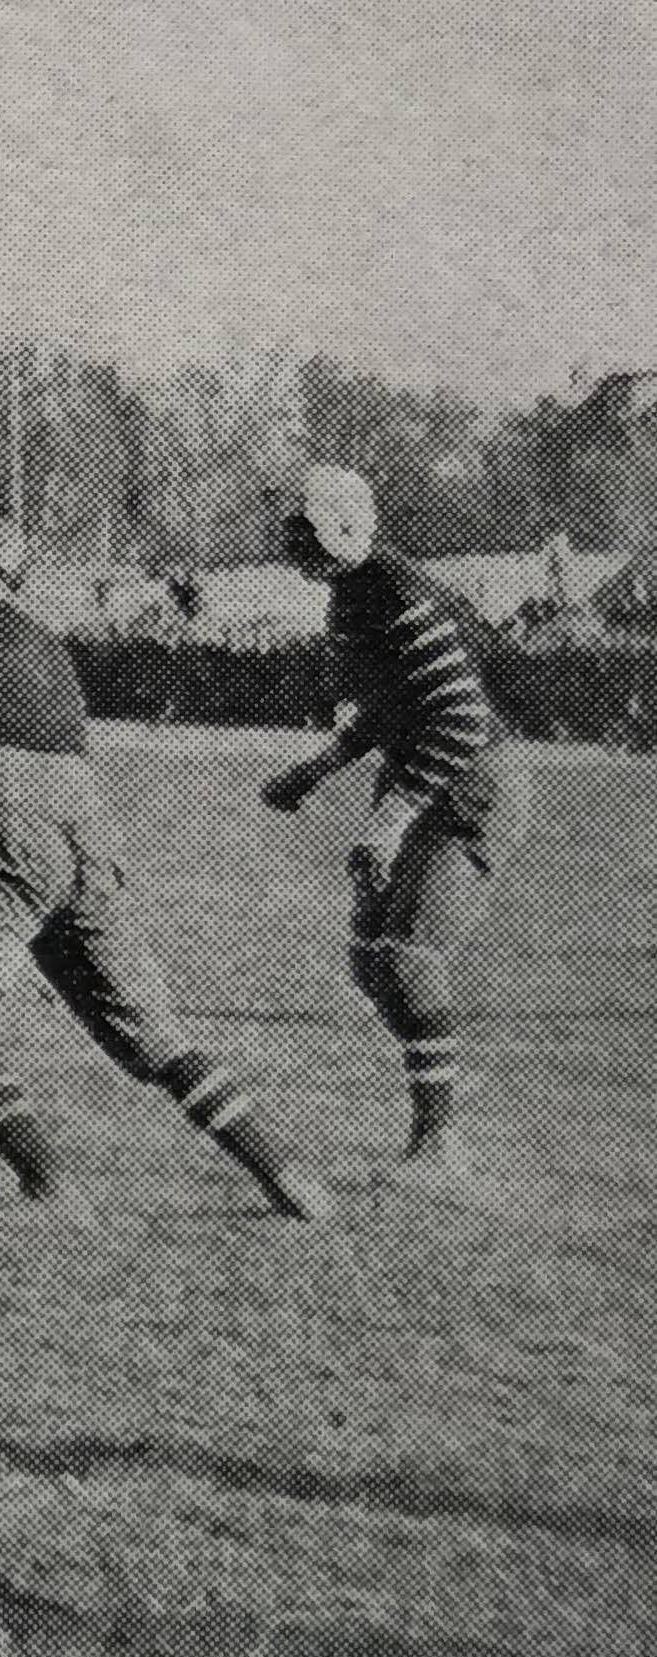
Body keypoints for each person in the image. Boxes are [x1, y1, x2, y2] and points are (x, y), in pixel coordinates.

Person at [0, 512, 335, 1226]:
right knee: (153, 1035)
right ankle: (287, 1175)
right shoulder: (48, 644)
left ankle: (50, 1186)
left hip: (2, 826)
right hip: (88, 829)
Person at [260, 465, 532, 1207]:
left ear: (347, 526)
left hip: (470, 788)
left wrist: (387, 821)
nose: (291, 542)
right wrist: (315, 771)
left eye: (304, 528)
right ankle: (436, 1082)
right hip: (423, 784)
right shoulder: (352, 595)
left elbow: (458, 721)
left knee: (409, 955)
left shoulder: (399, 596)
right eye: (290, 528)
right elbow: (386, 709)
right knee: (371, 959)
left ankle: (439, 1145)